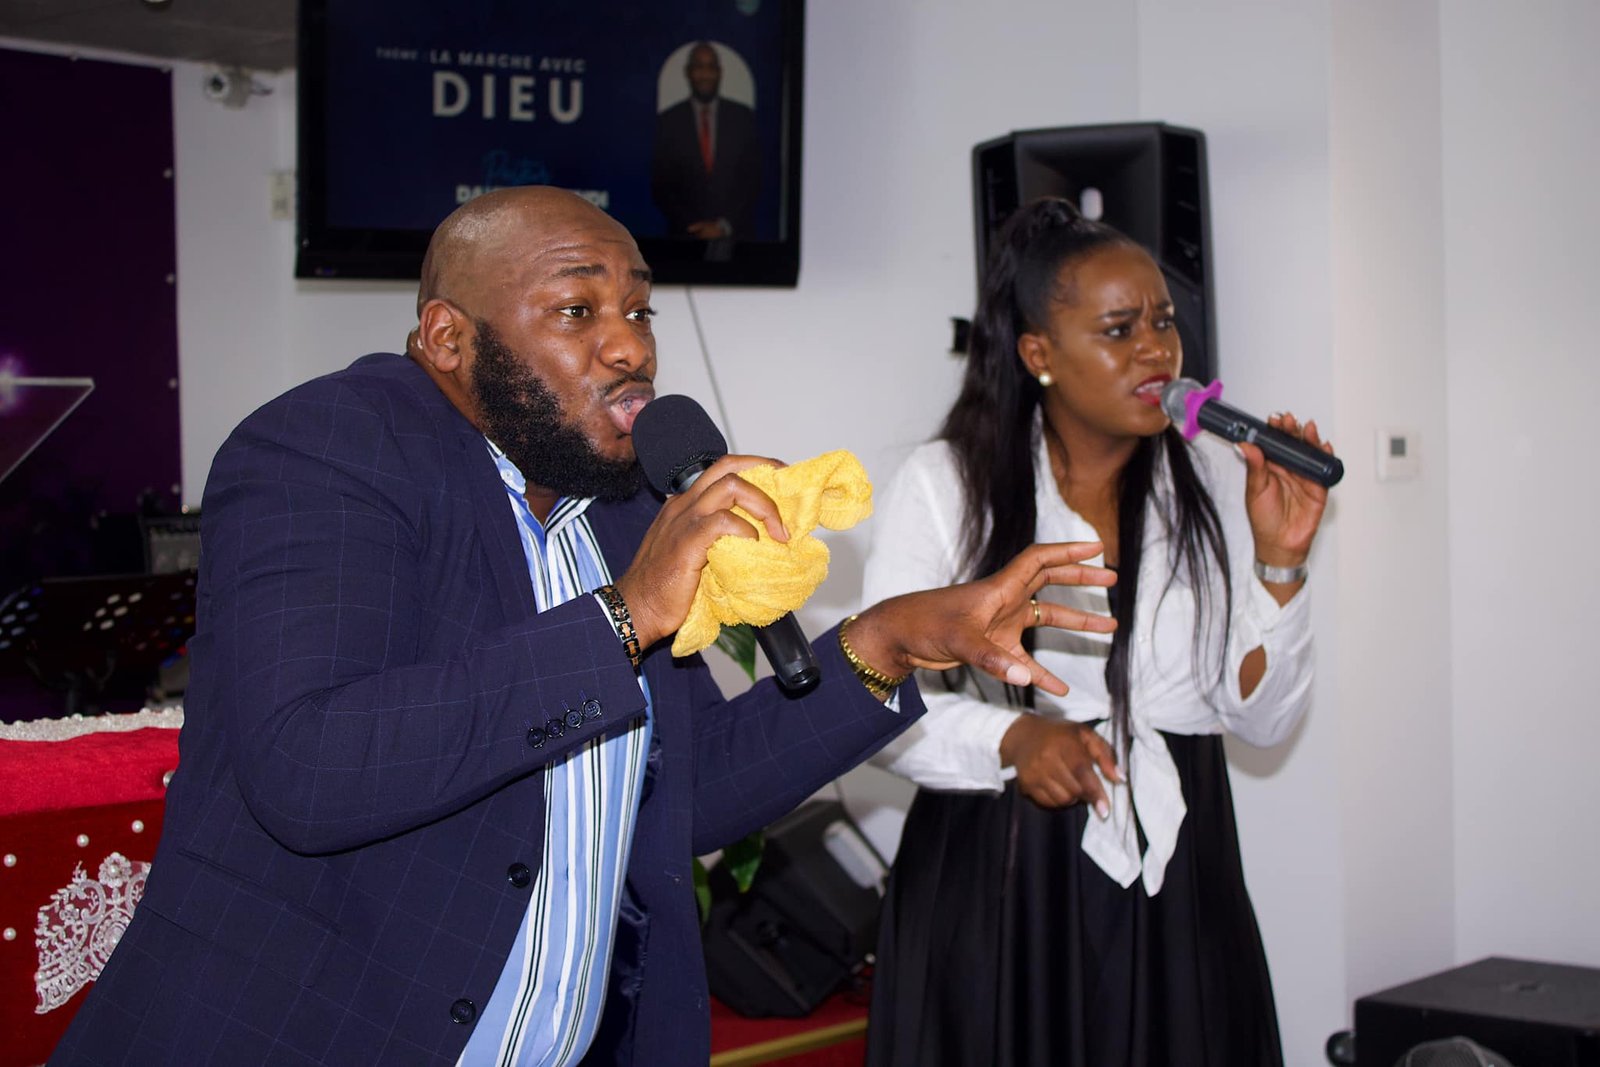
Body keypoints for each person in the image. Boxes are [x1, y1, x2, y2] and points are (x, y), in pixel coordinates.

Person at [49, 186, 1118, 1067]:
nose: (629, 349)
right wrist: (628, 615)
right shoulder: (331, 449)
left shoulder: (619, 510)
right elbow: (313, 766)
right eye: (577, 311)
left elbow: (680, 792)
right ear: (447, 337)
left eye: (641, 312)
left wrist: (882, 642)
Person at [862, 197, 1332, 1066]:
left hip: (1178, 869)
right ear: (1039, 353)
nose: (1157, 349)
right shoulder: (946, 485)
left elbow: (1263, 722)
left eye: (1164, 323)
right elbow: (881, 695)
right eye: (1121, 330)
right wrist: (1013, 736)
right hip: (1003, 871)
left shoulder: (1217, 481)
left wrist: (1281, 563)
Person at [650, 42, 762, 241]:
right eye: (699, 67)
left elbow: (753, 180)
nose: (705, 75)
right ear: (688, 72)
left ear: (719, 72)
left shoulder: (742, 118)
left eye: (711, 67)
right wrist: (695, 227)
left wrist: (723, 226)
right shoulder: (669, 121)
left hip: (737, 241)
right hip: (684, 241)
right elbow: (661, 187)